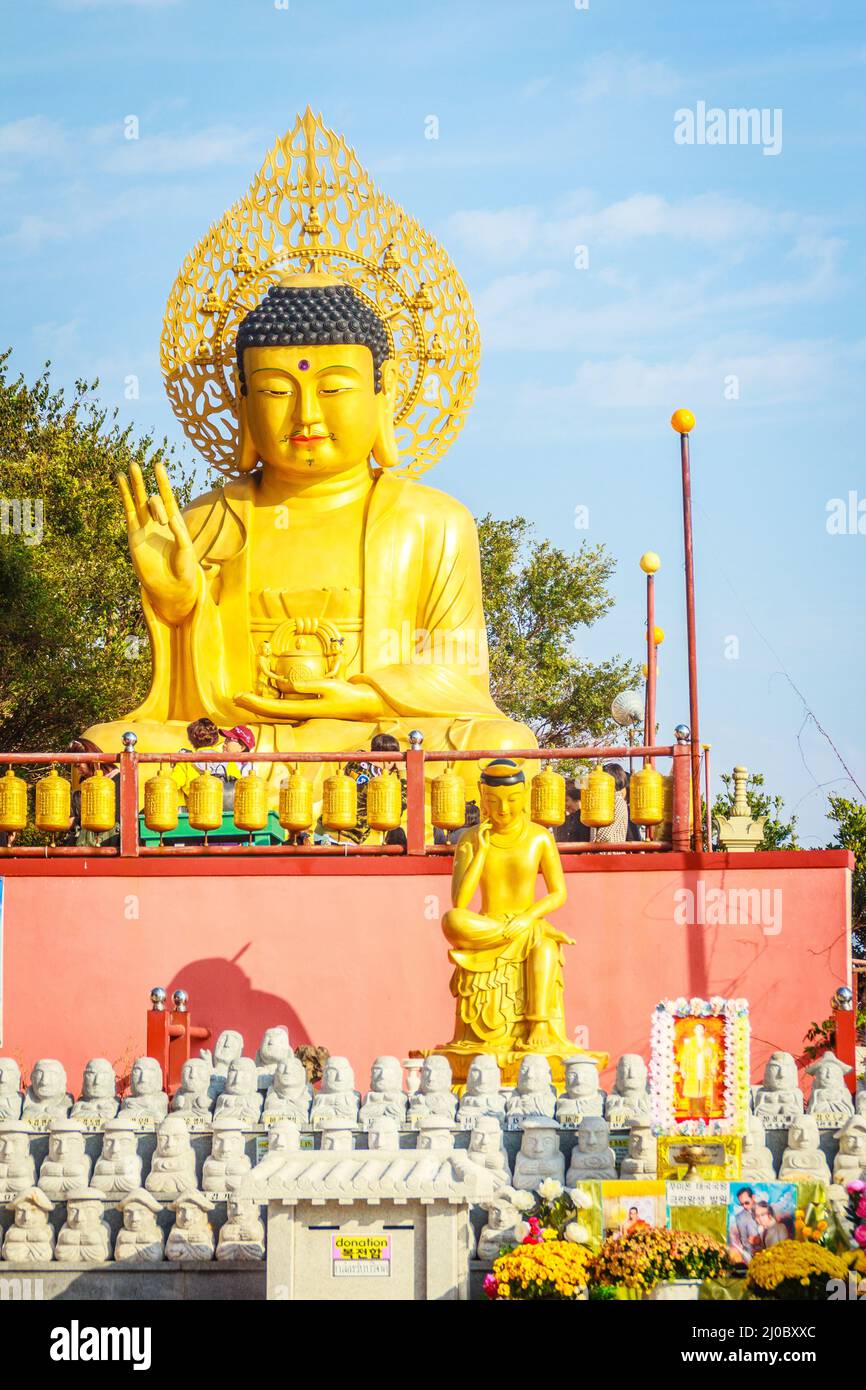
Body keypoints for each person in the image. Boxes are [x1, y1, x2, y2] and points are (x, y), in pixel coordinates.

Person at [66, 738, 120, 848]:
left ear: (90, 761)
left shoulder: (117, 781)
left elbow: (114, 814)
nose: (78, 771)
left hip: (110, 838)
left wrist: (77, 821)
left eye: (78, 766)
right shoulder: (86, 786)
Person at [730, 1186, 762, 1264]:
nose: (744, 1206)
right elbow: (744, 1240)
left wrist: (760, 1240)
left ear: (753, 1198)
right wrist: (753, 1252)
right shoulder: (740, 1217)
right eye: (741, 1204)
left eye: (746, 1202)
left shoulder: (766, 1208)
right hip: (754, 1256)